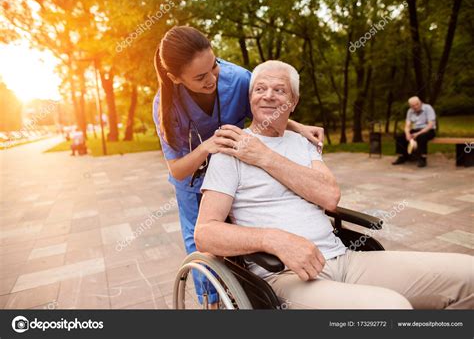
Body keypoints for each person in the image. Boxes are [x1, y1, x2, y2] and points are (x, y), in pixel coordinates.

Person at [194, 60, 473, 309]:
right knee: (391, 308)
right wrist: (273, 239)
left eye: (279, 90)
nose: (268, 95)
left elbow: (329, 197)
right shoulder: (231, 149)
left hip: (344, 259)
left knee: (469, 274)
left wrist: (264, 156)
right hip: (285, 276)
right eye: (260, 88)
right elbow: (205, 234)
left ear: (293, 102)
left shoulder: (302, 143)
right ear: (251, 97)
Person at [152, 26, 324, 307]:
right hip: (192, 185)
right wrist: (206, 147)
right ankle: (212, 304)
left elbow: (264, 112)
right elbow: (177, 170)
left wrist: (298, 126)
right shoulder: (165, 106)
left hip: (235, 172)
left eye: (214, 66)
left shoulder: (238, 79)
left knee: (241, 236)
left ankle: (248, 295)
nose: (212, 79)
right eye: (200, 77)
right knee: (203, 245)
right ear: (175, 78)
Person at [392, 96, 436, 167]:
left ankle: (422, 159)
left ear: (420, 102)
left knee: (421, 137)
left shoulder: (428, 108)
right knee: (399, 137)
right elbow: (407, 125)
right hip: (416, 130)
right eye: (413, 106)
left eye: (417, 104)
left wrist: (418, 133)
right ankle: (402, 157)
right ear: (410, 106)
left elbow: (431, 124)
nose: (415, 107)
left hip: (428, 130)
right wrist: (407, 134)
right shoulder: (410, 111)